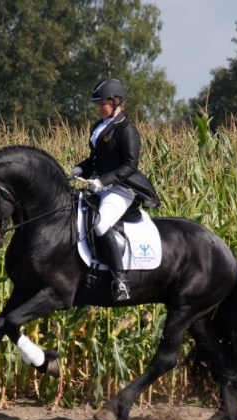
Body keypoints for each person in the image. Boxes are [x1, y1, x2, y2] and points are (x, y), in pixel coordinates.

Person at [69, 77, 160, 301]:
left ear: (116, 101)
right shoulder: (99, 127)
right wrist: (80, 168)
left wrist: (104, 181)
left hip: (122, 189)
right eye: (98, 104)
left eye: (102, 103)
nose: (99, 107)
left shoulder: (127, 130)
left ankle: (120, 281)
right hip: (101, 186)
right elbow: (96, 158)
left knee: (101, 224)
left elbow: (130, 166)